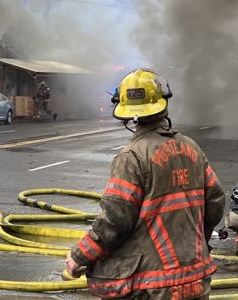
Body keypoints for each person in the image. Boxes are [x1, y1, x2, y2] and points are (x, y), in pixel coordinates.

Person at [66, 69, 227, 299]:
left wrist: (80, 256)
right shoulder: (192, 148)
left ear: (126, 112)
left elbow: (116, 219)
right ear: (163, 102)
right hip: (195, 280)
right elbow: (216, 202)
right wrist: (196, 244)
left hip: (151, 286)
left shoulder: (131, 157)